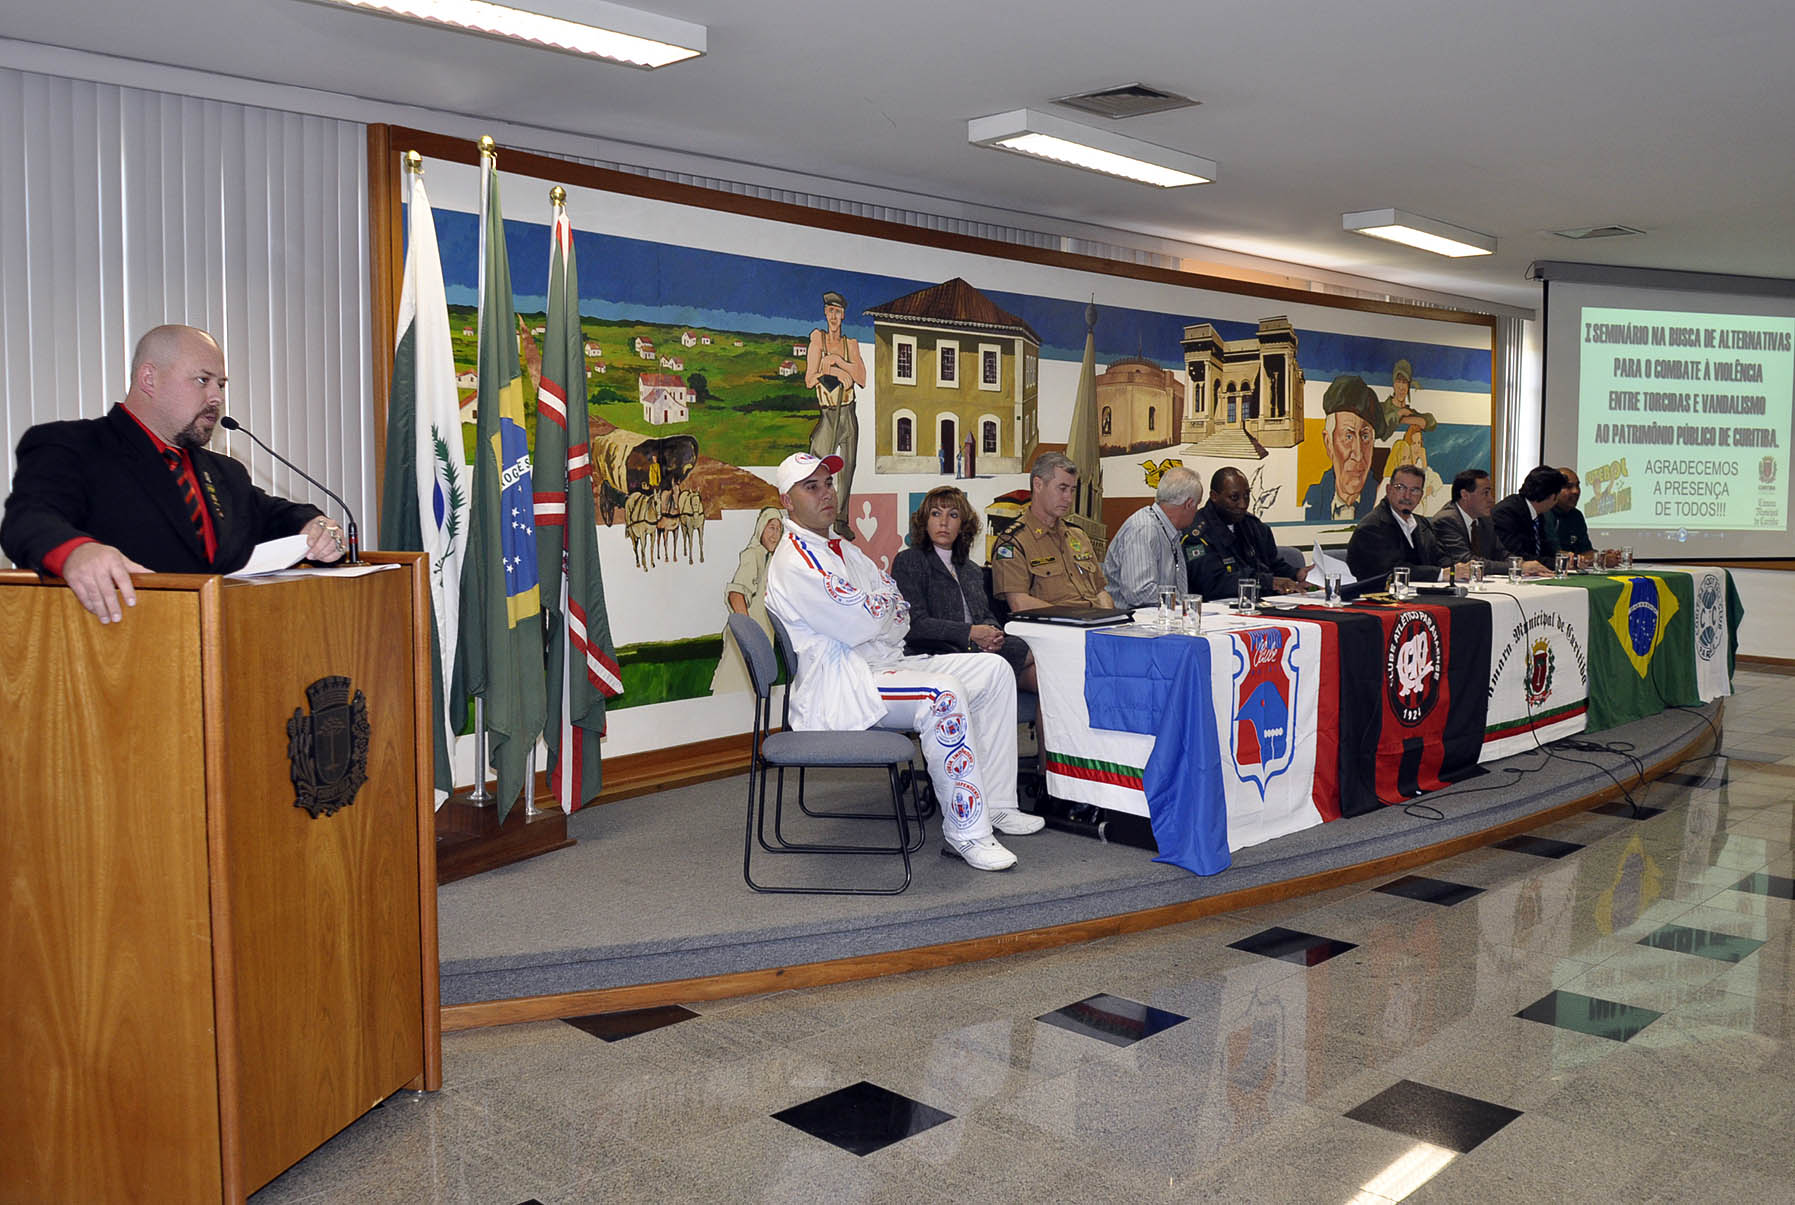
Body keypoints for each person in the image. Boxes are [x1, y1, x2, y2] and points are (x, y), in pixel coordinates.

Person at [765, 452, 1041, 872]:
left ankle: (999, 804)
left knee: (995, 671)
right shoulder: (796, 560)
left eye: (828, 483)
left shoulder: (841, 549)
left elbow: (899, 609)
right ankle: (967, 831)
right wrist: (879, 610)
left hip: (881, 662)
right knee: (941, 694)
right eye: (812, 486)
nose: (826, 494)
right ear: (787, 501)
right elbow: (864, 620)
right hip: (844, 682)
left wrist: (878, 610)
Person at [1, 324, 345, 623]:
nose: (216, 398)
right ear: (149, 379)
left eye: (221, 385)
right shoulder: (75, 446)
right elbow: (28, 519)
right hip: (119, 654)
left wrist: (315, 525)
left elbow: (272, 515)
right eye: (203, 380)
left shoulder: (224, 471)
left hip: (222, 654)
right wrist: (77, 552)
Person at [891, 486, 1036, 692]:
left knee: (1042, 659)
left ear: (962, 525)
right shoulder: (909, 561)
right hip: (937, 653)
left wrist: (992, 634)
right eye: (935, 514)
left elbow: (985, 614)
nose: (944, 522)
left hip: (979, 650)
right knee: (1038, 665)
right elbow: (915, 624)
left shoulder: (971, 569)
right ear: (924, 522)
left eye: (953, 515)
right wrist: (970, 632)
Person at [991, 451, 1114, 612]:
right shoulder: (1013, 543)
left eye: (1072, 490)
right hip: (1055, 628)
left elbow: (1100, 591)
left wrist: (1107, 619)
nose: (1069, 498)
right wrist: (1078, 619)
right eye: (1062, 489)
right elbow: (1019, 603)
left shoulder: (1078, 535)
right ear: (1038, 485)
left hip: (1093, 626)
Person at [1184, 466, 1307, 601]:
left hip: (1264, 604)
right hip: (1221, 612)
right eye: (1234, 497)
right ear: (1214, 496)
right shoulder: (1197, 535)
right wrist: (1268, 582)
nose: (1243, 504)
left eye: (1247, 496)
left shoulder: (1254, 527)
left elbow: (1271, 565)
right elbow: (1213, 584)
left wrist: (1297, 574)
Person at [804, 290, 865, 541]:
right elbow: (809, 380)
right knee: (817, 466)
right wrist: (829, 373)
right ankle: (813, 517)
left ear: (843, 315)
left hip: (848, 411)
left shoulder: (850, 344)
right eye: (830, 311)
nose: (833, 316)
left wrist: (837, 362)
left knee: (847, 468)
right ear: (825, 313)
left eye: (837, 312)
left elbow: (861, 378)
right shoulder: (817, 339)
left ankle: (841, 519)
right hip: (829, 412)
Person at [1101, 465, 1203, 610]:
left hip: (1157, 619)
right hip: (1131, 624)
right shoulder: (1144, 529)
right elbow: (1139, 592)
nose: (1196, 511)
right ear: (1189, 504)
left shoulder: (1167, 529)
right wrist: (1182, 602)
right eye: (1197, 505)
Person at [710, 505, 785, 696]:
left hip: (761, 639)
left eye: (778, 529)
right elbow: (736, 594)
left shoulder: (772, 560)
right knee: (734, 685)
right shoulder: (754, 555)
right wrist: (749, 635)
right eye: (771, 527)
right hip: (747, 641)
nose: (775, 534)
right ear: (761, 528)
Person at [1345, 463, 1454, 582]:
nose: (1407, 496)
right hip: (1379, 597)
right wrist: (1441, 574)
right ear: (1388, 489)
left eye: (1414, 490)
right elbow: (1393, 570)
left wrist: (1458, 569)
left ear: (1421, 495)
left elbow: (1439, 558)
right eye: (1400, 488)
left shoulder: (1421, 524)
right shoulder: (1372, 527)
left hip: (1420, 595)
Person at [1303, 375, 1385, 522]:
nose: (1358, 454)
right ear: (1329, 443)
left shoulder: (1383, 504)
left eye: (1365, 437)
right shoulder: (1312, 500)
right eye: (1348, 437)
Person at [1490, 465, 1566, 572]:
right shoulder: (1506, 512)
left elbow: (1544, 551)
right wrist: (1557, 563)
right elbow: (1516, 555)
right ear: (1552, 496)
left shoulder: (1539, 514)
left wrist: (1563, 559)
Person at [1430, 468, 1510, 565]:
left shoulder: (1485, 520)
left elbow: (1501, 553)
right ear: (1465, 495)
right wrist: (1513, 567)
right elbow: (1467, 562)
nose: (1491, 499)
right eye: (1485, 493)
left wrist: (1520, 564)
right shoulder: (1446, 521)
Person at [1545, 466, 1596, 563]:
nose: (1576, 491)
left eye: (1577, 486)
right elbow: (1554, 553)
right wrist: (1587, 558)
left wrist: (1602, 557)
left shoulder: (1576, 515)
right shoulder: (1544, 514)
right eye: (1569, 487)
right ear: (1554, 490)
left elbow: (1587, 551)